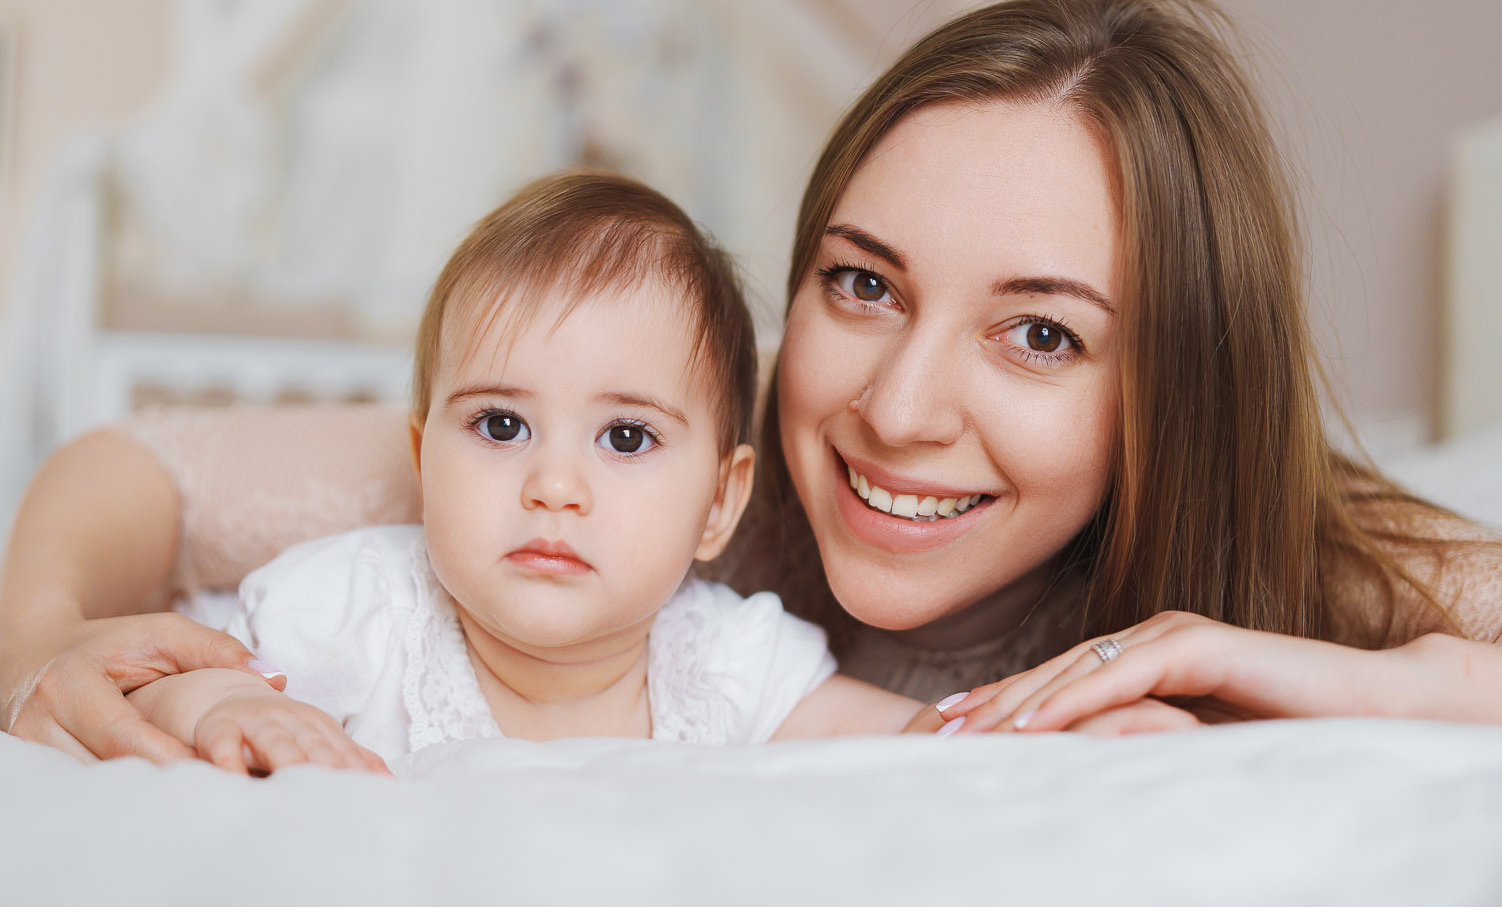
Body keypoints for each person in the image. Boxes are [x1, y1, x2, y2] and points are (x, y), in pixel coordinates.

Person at [0, 0, 1502, 761]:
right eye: (863, 285)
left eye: (1041, 332)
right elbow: (134, 469)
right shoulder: (635, 480)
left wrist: (1322, 668)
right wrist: (35, 629)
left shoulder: (1306, 555)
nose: (896, 406)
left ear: (1173, 388)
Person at [124, 174, 919, 772]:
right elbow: (148, 687)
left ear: (717, 503)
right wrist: (212, 702)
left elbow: (915, 742)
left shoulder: (728, 661)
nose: (554, 486)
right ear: (422, 459)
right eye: (501, 425)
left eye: (627, 436)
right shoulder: (353, 614)